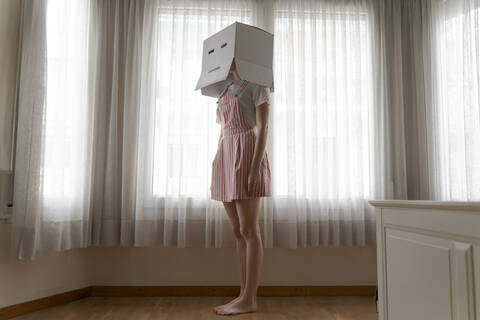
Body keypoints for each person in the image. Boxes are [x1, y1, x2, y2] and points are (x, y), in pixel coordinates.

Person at [210, 60, 272, 316]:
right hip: (225, 155)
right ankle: (242, 294)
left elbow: (263, 127)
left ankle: (250, 298)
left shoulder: (258, 85)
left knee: (249, 228)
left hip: (246, 154)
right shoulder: (224, 89)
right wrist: (217, 159)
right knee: (237, 230)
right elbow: (223, 130)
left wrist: (255, 166)